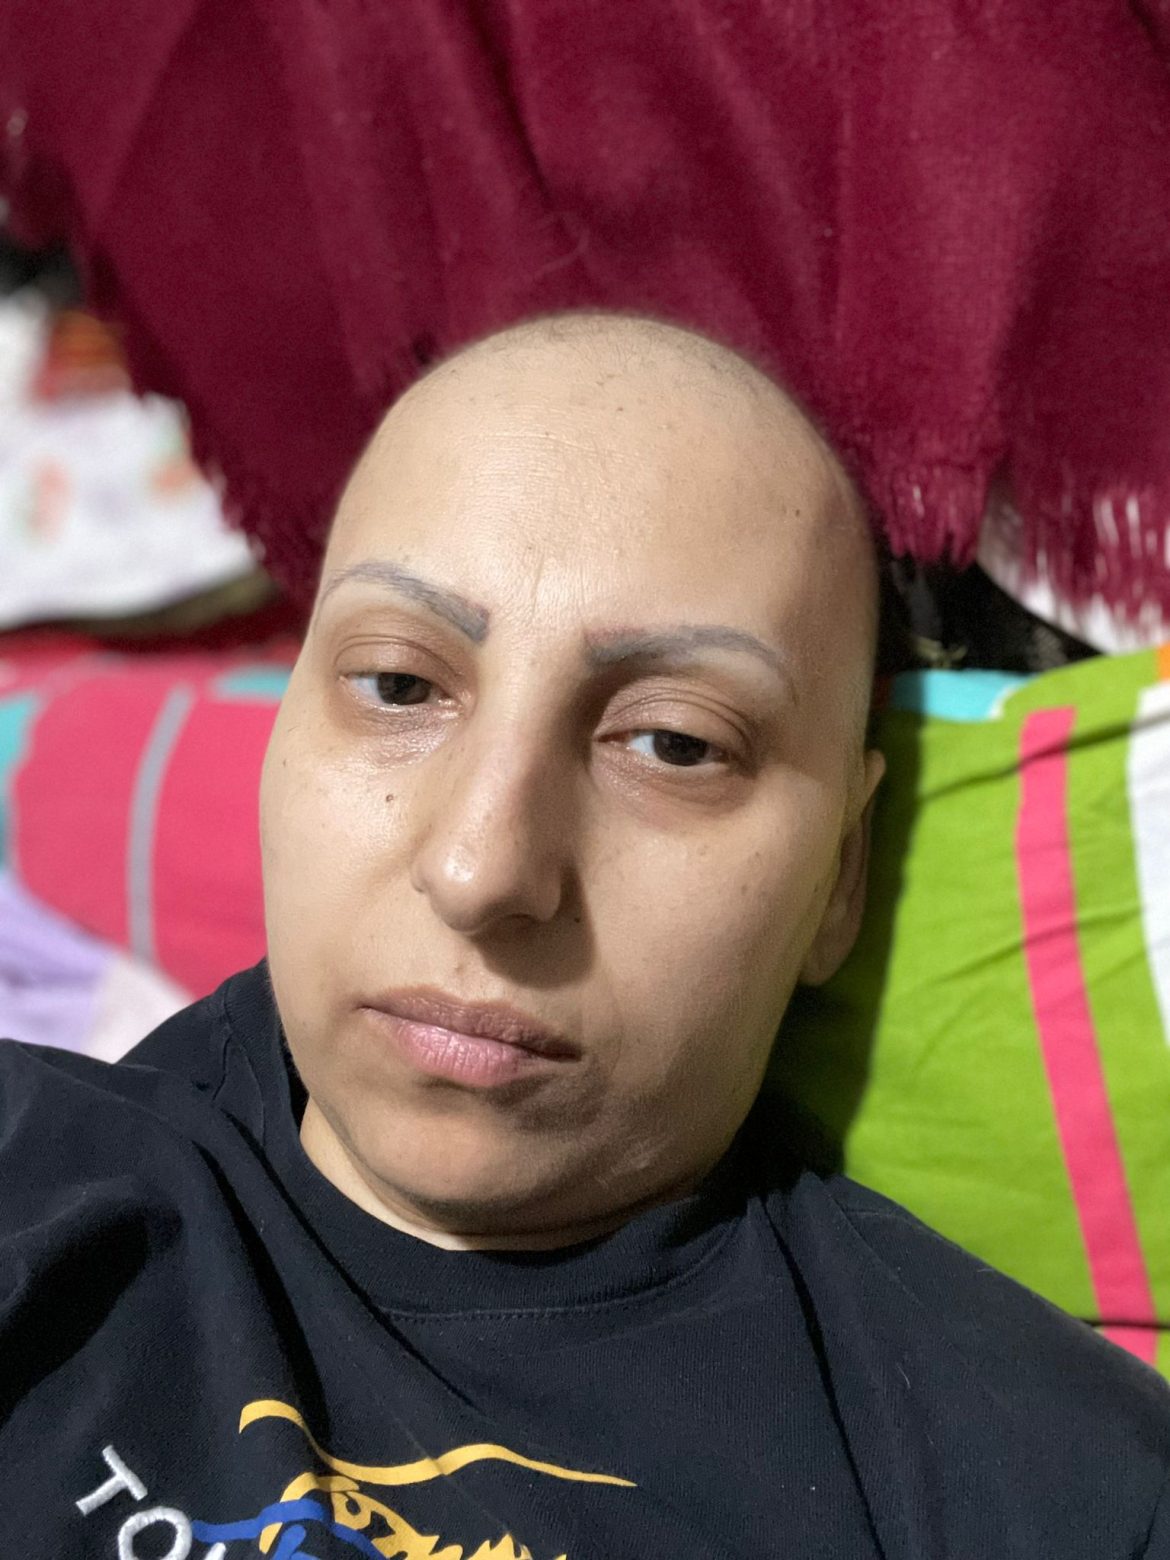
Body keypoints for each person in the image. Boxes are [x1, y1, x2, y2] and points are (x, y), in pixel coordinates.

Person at [1, 313, 1167, 1559]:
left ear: (841, 875)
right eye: (398, 684)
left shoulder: (1058, 1493)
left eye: (675, 743)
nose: (482, 869)